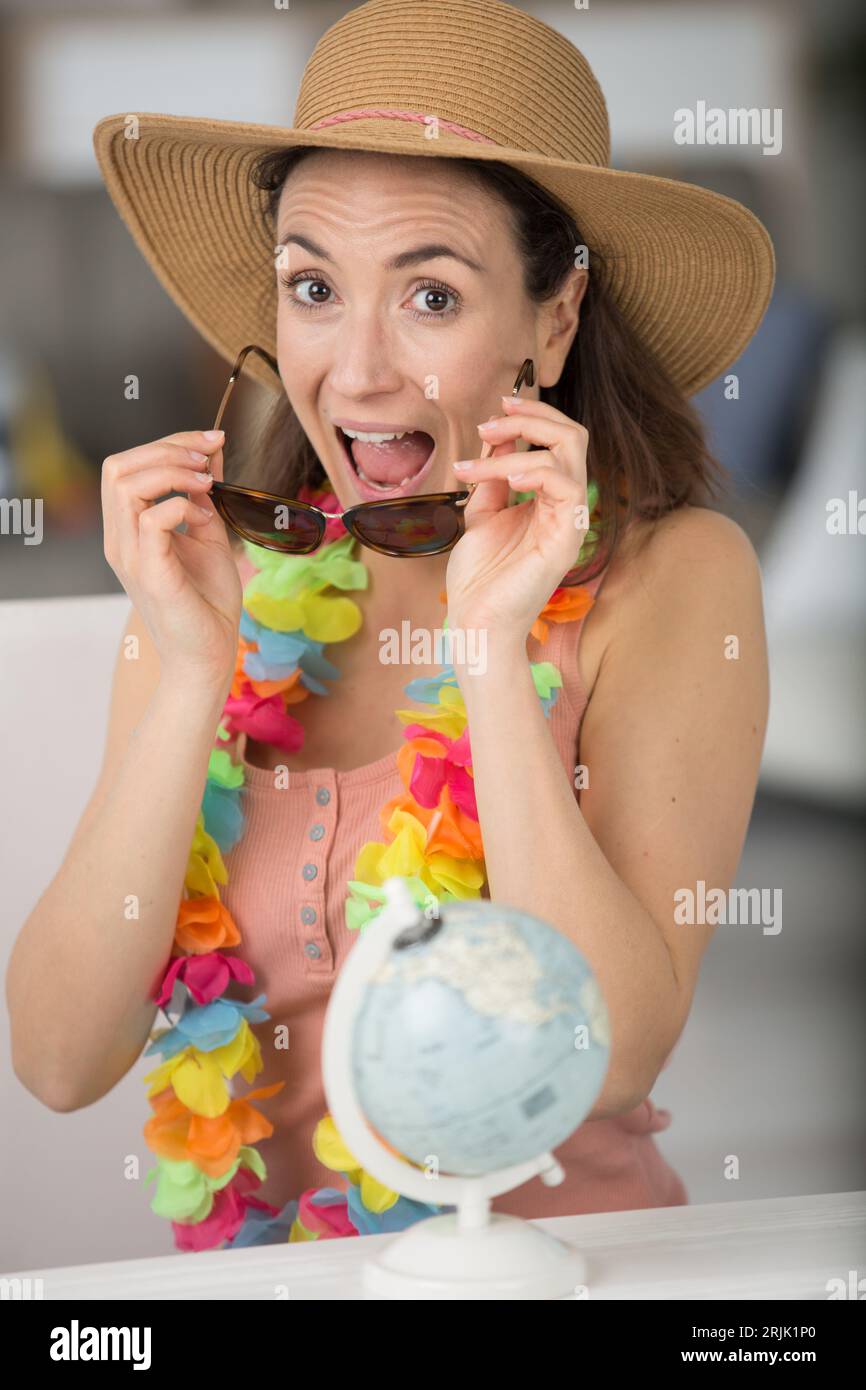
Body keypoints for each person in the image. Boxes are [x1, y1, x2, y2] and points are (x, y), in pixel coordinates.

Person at [7, 0, 772, 1250]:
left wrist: (487, 648)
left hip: (561, 1279)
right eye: (314, 285)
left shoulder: (674, 578)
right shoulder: (216, 583)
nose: (355, 370)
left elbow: (611, 1054)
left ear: (553, 318)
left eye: (428, 295)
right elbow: (54, 1056)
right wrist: (192, 667)